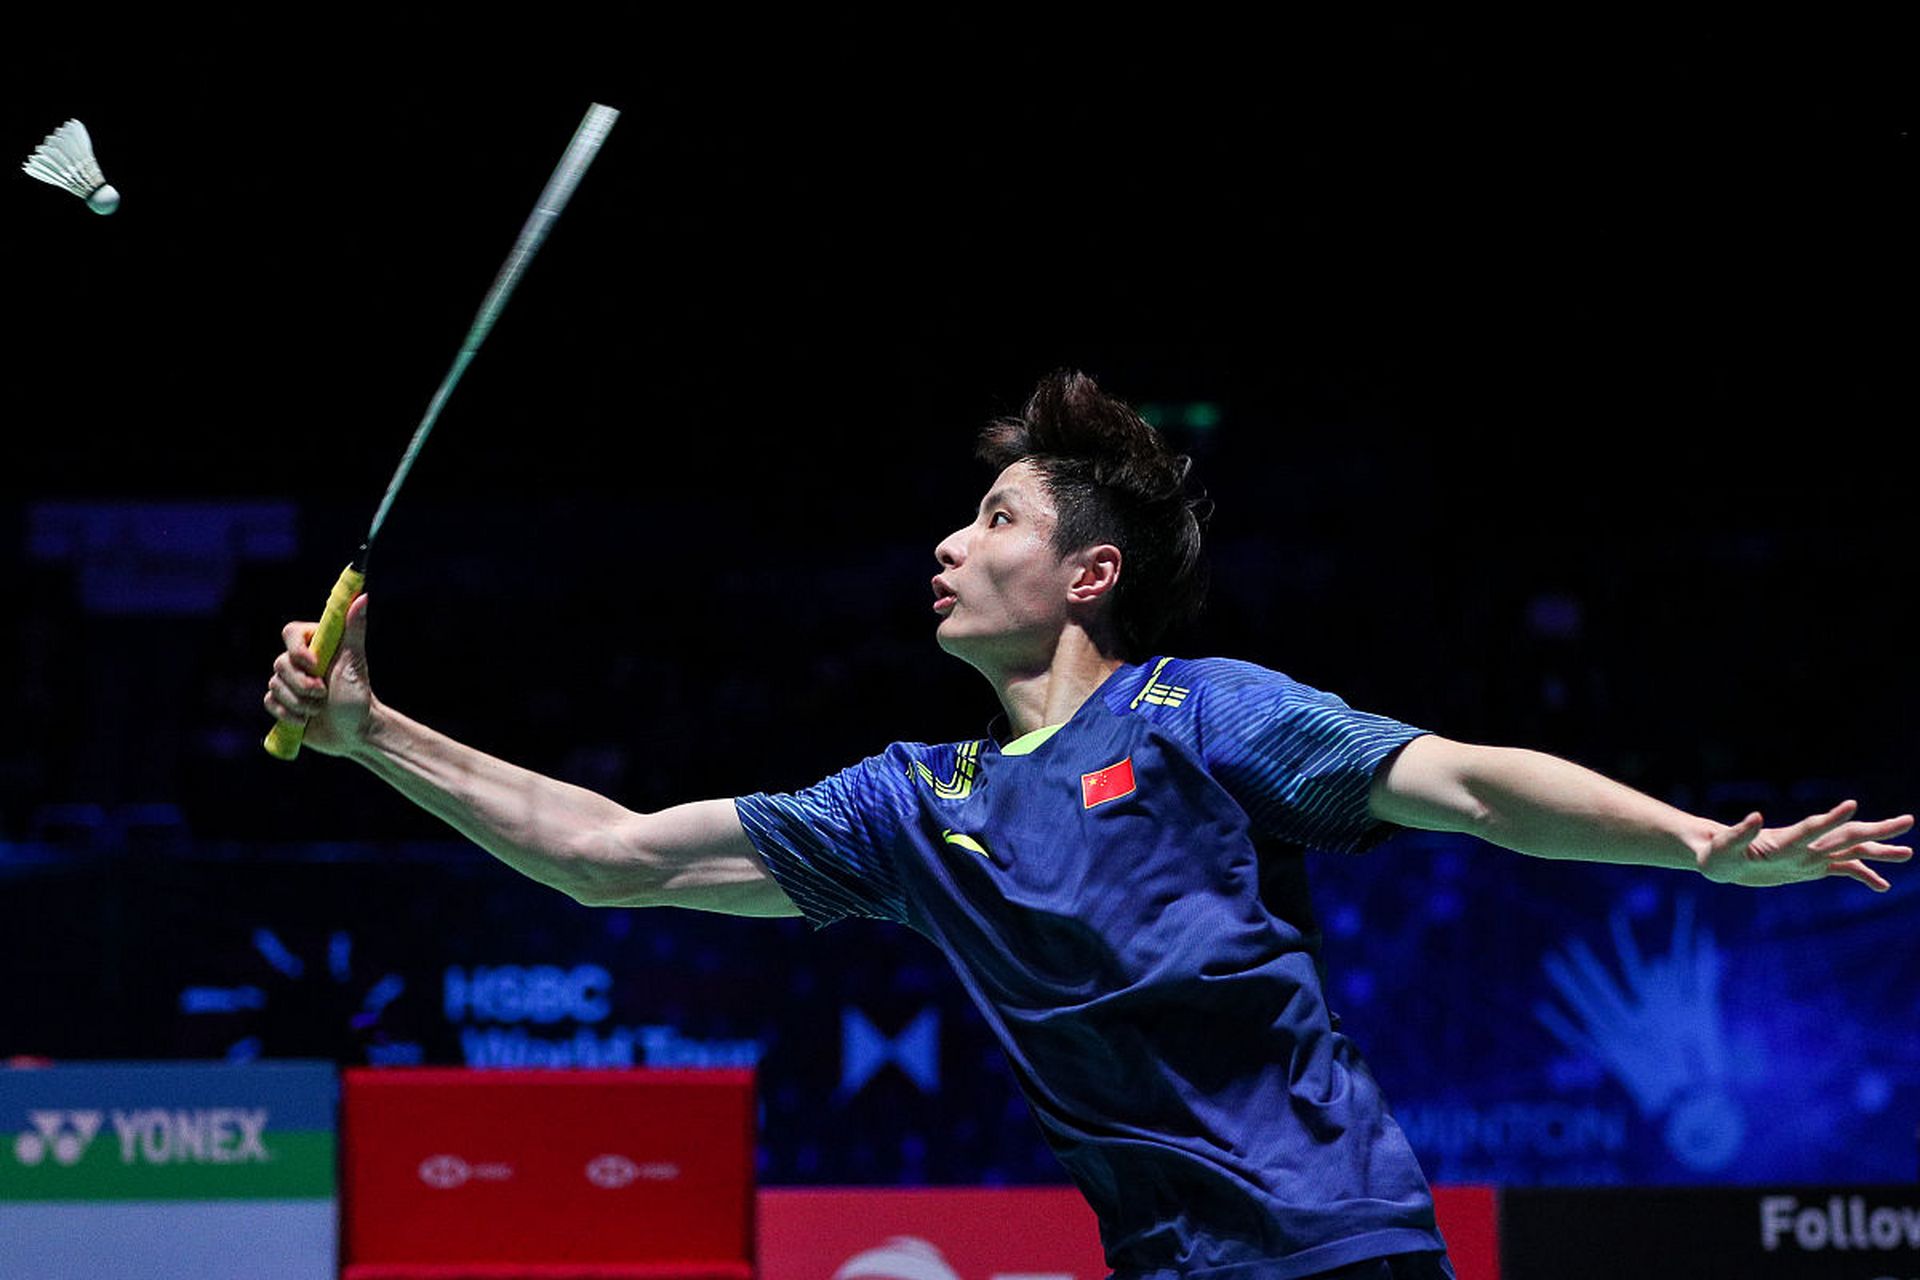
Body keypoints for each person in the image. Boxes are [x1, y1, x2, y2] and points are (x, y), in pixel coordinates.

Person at [266, 370, 1911, 1280]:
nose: (947, 544)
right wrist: (370, 735)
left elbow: (1473, 784)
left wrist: (1696, 844)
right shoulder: (910, 804)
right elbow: (606, 857)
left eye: (994, 520)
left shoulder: (1203, 714)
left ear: (1087, 574)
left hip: (1333, 1248)